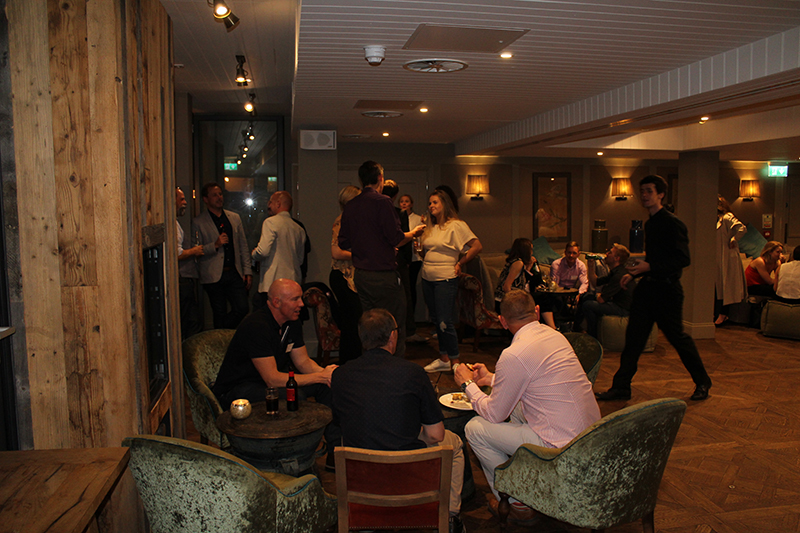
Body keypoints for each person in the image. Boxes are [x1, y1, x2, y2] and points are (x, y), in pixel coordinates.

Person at [454, 290, 600, 523]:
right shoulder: (555, 336)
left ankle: (517, 503)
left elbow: (494, 413)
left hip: (560, 448)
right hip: (591, 437)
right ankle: (530, 480)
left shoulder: (514, 354)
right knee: (515, 406)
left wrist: (467, 384)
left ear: (503, 321)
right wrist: (490, 378)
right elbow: (534, 380)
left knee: (475, 428)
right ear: (537, 312)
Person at [330, 309, 466, 533]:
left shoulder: (340, 375)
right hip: (405, 470)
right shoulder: (413, 373)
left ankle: (366, 515)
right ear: (392, 336)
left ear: (362, 338)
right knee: (454, 444)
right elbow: (435, 435)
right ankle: (450, 517)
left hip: (362, 471)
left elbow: (341, 422)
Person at [596, 175, 713, 402]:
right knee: (633, 340)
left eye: (649, 191)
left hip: (667, 292)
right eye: (642, 191)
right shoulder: (650, 224)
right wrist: (633, 274)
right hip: (647, 290)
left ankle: (702, 381)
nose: (644, 195)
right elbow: (656, 260)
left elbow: (682, 259)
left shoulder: (673, 223)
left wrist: (649, 267)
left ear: (660, 194)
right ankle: (621, 387)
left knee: (677, 338)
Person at [212, 278, 340, 466]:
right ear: (276, 302)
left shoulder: (292, 322)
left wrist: (327, 376)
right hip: (239, 388)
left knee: (326, 387)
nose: (301, 304)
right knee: (295, 395)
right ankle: (292, 455)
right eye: (295, 299)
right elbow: (272, 378)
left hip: (268, 383)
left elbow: (303, 362)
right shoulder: (256, 326)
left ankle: (334, 454)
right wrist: (320, 376)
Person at [338, 161, 425, 360]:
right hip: (383, 275)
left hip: (361, 275)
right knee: (394, 324)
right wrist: (413, 233)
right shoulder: (383, 202)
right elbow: (396, 238)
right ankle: (394, 369)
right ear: (380, 178)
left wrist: (366, 245)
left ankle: (370, 367)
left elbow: (344, 242)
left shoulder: (351, 205)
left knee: (370, 325)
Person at [420, 190, 483, 372]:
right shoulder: (430, 227)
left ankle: (455, 362)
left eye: (435, 202)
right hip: (427, 277)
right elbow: (425, 252)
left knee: (444, 321)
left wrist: (460, 262)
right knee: (436, 320)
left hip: (445, 278)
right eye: (429, 203)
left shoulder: (456, 225)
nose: (431, 206)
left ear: (445, 204)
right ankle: (444, 358)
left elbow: (477, 245)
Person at [192, 182, 252, 329]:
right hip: (212, 274)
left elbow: (243, 246)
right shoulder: (198, 222)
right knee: (219, 312)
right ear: (206, 199)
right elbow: (195, 250)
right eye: (214, 195)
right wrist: (214, 245)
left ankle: (221, 332)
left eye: (220, 194)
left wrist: (247, 271)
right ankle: (221, 339)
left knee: (242, 308)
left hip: (233, 272)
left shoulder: (234, 218)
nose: (219, 197)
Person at [251, 191, 307, 309]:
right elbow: (300, 259)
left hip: (272, 282)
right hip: (292, 281)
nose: (268, 205)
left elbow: (263, 251)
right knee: (288, 315)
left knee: (267, 315)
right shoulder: (299, 229)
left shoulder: (270, 222)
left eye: (270, 202)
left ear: (278, 204)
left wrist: (254, 253)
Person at [330, 186, 363, 363]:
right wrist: (361, 254)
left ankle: (352, 362)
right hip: (342, 276)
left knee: (353, 322)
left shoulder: (353, 221)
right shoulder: (341, 221)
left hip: (350, 276)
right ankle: (350, 363)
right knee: (352, 322)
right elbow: (336, 252)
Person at [573, 243, 634, 338]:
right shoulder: (615, 272)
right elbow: (595, 282)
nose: (606, 254)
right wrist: (591, 266)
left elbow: (601, 300)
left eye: (610, 252)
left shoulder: (619, 276)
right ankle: (576, 328)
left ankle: (593, 336)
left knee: (588, 305)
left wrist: (598, 295)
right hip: (615, 302)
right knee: (586, 296)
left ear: (616, 258)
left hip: (623, 308)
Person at [493, 238, 556, 329]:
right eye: (531, 249)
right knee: (544, 298)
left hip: (511, 297)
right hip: (504, 301)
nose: (532, 252)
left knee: (541, 298)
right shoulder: (518, 263)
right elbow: (506, 286)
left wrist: (529, 266)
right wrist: (514, 302)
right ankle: (552, 327)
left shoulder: (515, 261)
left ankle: (546, 327)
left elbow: (524, 281)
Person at [714, 195, 747, 325]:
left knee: (726, 285)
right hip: (717, 256)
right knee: (717, 285)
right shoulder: (715, 219)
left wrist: (734, 239)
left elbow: (741, 228)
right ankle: (716, 312)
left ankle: (723, 314)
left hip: (727, 255)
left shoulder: (727, 217)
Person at [176, 187, 204, 340]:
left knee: (192, 321)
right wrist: (194, 251)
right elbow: (176, 253)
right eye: (181, 199)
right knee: (188, 322)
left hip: (185, 279)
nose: (185, 202)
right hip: (181, 280)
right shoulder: (172, 225)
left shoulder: (175, 223)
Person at [400, 194, 426, 342]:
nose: (404, 204)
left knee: (411, 288)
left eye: (407, 201)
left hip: (415, 258)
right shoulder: (398, 216)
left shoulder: (417, 219)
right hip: (403, 258)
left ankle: (412, 319)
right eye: (402, 201)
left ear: (411, 204)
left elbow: (420, 237)